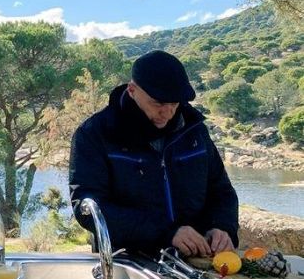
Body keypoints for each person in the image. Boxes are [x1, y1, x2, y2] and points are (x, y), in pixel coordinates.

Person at [69, 50, 239, 257]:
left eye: (175, 103)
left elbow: (221, 191)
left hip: (198, 261)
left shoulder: (195, 130)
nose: (168, 113)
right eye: (158, 103)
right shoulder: (94, 134)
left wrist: (221, 226)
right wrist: (166, 233)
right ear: (132, 90)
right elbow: (88, 209)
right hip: (127, 262)